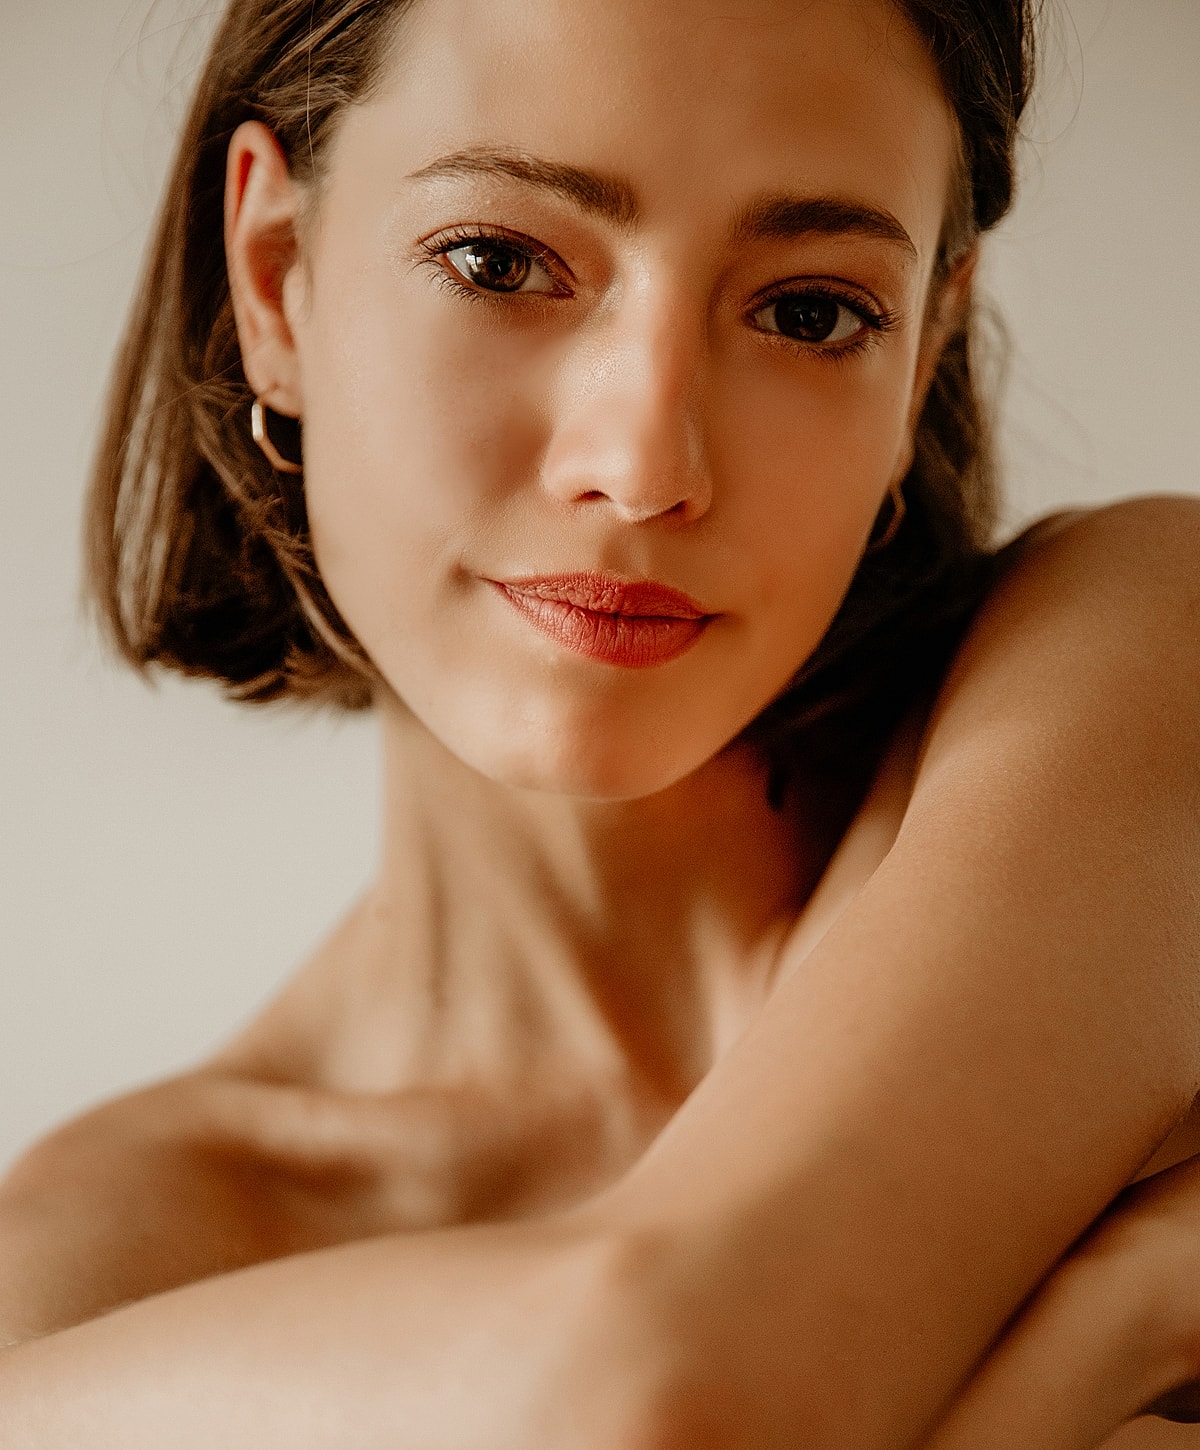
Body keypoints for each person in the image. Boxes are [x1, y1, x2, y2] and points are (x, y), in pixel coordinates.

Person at [1, 0, 1198, 1445]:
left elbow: (656, 1392)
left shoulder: (1150, 655)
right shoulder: (97, 1261)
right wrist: (1109, 1321)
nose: (644, 465)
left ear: (924, 353)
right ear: (277, 283)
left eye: (811, 310)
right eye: (501, 262)